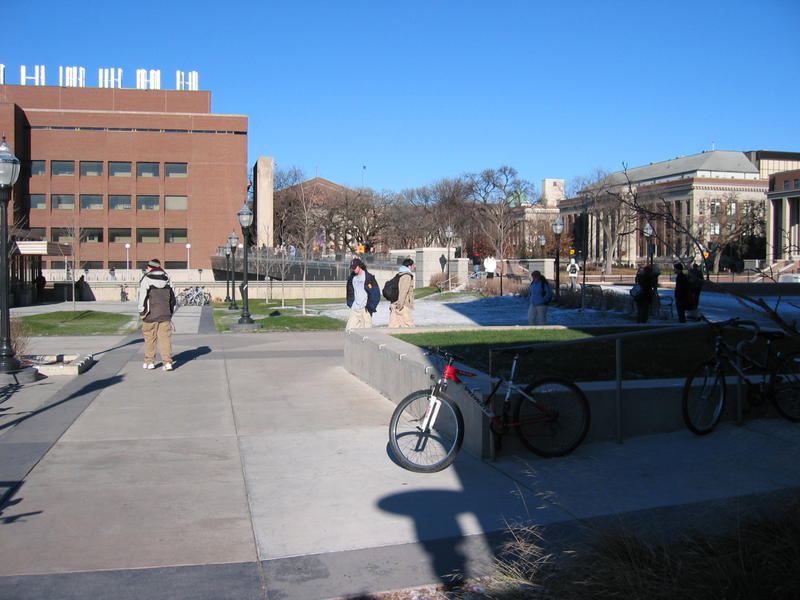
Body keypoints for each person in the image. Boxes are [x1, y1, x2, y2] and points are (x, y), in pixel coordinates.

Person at [137, 259, 176, 371]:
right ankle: (167, 362)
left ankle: (150, 362)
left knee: (150, 338)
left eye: (148, 267)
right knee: (165, 339)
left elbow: (142, 297)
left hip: (150, 314)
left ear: (150, 267)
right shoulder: (167, 279)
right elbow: (173, 298)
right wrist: (170, 311)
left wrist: (141, 312)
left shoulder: (146, 279)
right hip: (165, 313)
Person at [346, 258, 380, 329]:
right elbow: (350, 292)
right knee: (349, 330)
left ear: (359, 266)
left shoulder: (368, 277)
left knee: (366, 333)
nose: (353, 269)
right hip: (355, 308)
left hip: (365, 309)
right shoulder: (352, 278)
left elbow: (375, 293)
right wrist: (350, 303)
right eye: (352, 268)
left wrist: (370, 306)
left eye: (355, 267)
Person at [388, 258, 415, 328]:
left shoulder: (399, 274)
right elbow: (403, 291)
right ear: (409, 266)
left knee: (393, 326)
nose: (414, 267)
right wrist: (400, 304)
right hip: (402, 305)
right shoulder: (407, 276)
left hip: (394, 303)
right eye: (413, 265)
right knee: (409, 325)